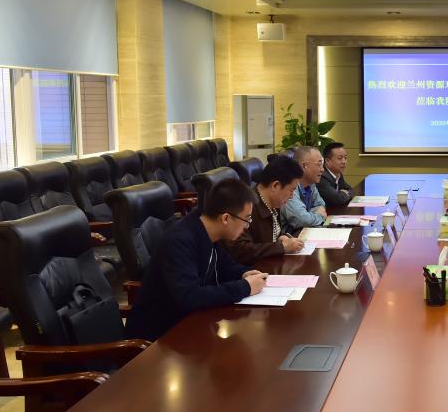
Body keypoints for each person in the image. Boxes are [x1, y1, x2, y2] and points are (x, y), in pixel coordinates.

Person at [127, 179, 267, 341]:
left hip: (188, 324)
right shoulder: (180, 240)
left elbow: (226, 266)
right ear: (226, 218)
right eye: (247, 219)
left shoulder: (207, 230)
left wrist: (245, 273)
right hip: (157, 337)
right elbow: (190, 296)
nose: (247, 226)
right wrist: (245, 287)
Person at [224, 156, 306, 264]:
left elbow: (271, 234)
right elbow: (241, 250)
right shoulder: (246, 207)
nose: (291, 196)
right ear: (275, 186)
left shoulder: (273, 203)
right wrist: (281, 247)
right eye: (291, 190)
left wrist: (281, 237)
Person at [281, 145, 327, 231]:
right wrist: (320, 216)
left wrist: (308, 215)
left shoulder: (310, 183)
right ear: (304, 166)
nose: (322, 170)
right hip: (291, 236)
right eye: (319, 164)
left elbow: (321, 205)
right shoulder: (290, 186)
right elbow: (301, 220)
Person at [318, 142, 353, 208]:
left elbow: (350, 189)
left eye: (345, 158)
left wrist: (342, 194)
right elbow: (337, 199)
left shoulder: (337, 173)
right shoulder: (322, 176)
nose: (344, 162)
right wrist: (343, 194)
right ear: (327, 161)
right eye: (340, 158)